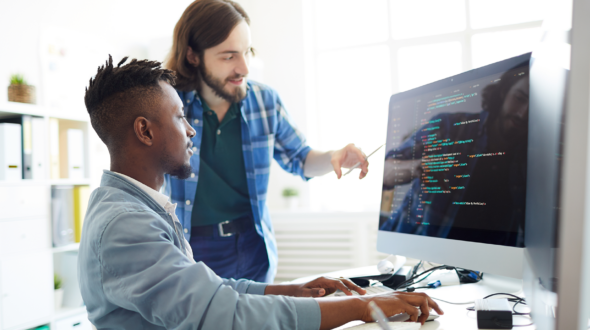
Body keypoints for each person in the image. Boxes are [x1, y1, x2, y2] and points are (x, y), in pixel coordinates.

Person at [77, 56, 443, 329]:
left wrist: (292, 290)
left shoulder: (137, 207)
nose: (191, 131)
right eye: (179, 117)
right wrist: (366, 307)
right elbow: (224, 314)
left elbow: (214, 290)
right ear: (145, 131)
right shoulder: (126, 225)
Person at [164, 0, 370, 283]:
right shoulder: (168, 106)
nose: (244, 68)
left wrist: (335, 155)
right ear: (193, 56)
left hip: (252, 248)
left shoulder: (265, 101)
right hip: (190, 248)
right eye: (229, 57)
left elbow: (300, 157)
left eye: (247, 52)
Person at [380, 65, 530, 246]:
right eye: (519, 98)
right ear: (504, 92)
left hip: (491, 268)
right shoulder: (449, 127)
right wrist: (417, 167)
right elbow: (386, 171)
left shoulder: (535, 157)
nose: (523, 113)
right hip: (416, 253)